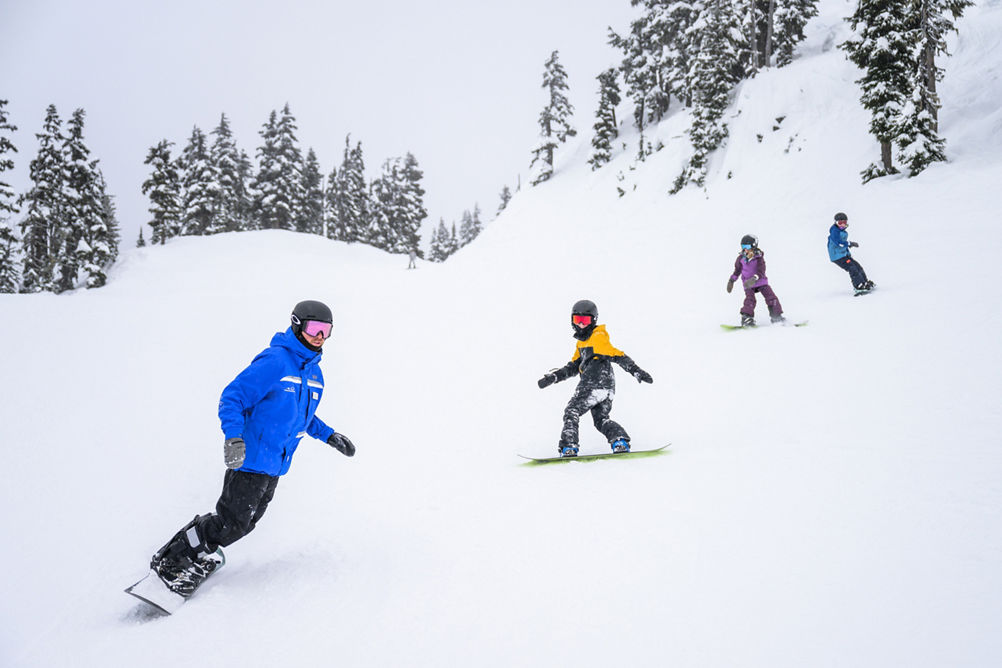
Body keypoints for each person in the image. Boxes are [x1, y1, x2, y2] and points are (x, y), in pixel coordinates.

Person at [148, 300, 356, 597]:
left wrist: (329, 435)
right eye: (314, 328)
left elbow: (302, 416)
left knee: (244, 525)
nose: (320, 337)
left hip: (276, 465)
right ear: (297, 325)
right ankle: (172, 558)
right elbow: (232, 397)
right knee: (231, 523)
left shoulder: (314, 376)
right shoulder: (276, 361)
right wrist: (233, 438)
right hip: (251, 459)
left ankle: (198, 551)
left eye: (327, 330)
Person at [536, 299, 653, 457]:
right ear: (572, 320)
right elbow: (573, 366)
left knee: (572, 411)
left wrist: (636, 370)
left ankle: (569, 446)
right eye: (578, 320)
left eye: (586, 320)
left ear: (594, 321)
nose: (582, 325)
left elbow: (618, 355)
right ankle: (619, 441)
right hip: (607, 387)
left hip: (593, 383)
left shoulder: (598, 338)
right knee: (601, 420)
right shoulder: (582, 344)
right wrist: (554, 377)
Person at [726, 234, 785, 327]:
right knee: (750, 300)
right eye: (743, 246)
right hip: (748, 283)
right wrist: (731, 280)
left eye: (747, 246)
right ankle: (746, 318)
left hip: (760, 281)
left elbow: (761, 270)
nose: (745, 249)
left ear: (754, 246)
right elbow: (737, 271)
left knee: (771, 297)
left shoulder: (758, 257)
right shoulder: (741, 259)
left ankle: (776, 316)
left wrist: (755, 278)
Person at [828, 212, 875, 293]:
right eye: (840, 223)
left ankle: (864, 282)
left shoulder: (841, 231)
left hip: (843, 255)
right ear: (836, 223)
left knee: (857, 266)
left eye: (844, 223)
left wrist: (848, 246)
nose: (842, 225)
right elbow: (838, 243)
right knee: (852, 268)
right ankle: (858, 286)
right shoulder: (834, 231)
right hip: (837, 256)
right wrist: (850, 243)